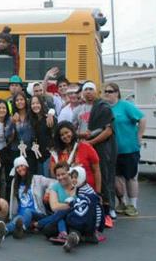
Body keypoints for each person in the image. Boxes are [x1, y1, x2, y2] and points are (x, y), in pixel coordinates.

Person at [73, 82, 117, 224]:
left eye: (91, 89)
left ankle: (109, 207)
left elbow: (109, 130)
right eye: (85, 89)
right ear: (82, 93)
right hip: (83, 147)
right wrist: (80, 136)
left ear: (96, 91)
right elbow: (72, 130)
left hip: (101, 147)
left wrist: (91, 142)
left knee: (105, 176)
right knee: (84, 176)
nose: (88, 92)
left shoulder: (103, 107)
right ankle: (87, 205)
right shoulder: (78, 110)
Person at [103, 83, 146, 216]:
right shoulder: (105, 108)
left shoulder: (125, 106)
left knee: (130, 177)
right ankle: (121, 201)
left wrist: (139, 136)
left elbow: (142, 118)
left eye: (110, 91)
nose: (107, 94)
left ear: (117, 93)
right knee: (116, 178)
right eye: (105, 91)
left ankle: (132, 205)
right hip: (112, 150)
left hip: (129, 149)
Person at [5, 156, 54, 239]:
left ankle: (22, 228)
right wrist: (12, 216)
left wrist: (48, 191)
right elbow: (14, 202)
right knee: (14, 222)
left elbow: (54, 182)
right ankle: (2, 231)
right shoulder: (15, 182)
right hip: (21, 214)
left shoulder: (37, 179)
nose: (20, 169)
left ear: (26, 166)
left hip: (37, 213)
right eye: (17, 167)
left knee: (28, 211)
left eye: (21, 165)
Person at [50, 121, 101, 195]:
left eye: (67, 132)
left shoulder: (86, 147)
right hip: (67, 193)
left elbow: (97, 170)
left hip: (88, 190)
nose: (65, 136)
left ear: (72, 131)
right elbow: (53, 174)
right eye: (62, 135)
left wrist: (98, 193)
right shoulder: (56, 154)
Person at [62, 166, 104, 253]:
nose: (73, 180)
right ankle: (80, 238)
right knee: (75, 227)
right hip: (89, 224)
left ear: (82, 177)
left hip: (88, 224)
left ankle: (76, 238)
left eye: (76, 177)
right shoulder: (83, 189)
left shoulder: (87, 193)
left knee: (73, 226)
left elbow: (97, 210)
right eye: (72, 177)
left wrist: (95, 227)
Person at [39, 161, 76, 241]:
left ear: (69, 173)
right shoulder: (55, 187)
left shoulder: (77, 185)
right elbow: (54, 207)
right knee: (48, 229)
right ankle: (64, 234)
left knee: (59, 214)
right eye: (58, 175)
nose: (60, 177)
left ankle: (38, 224)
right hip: (61, 217)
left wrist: (63, 206)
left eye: (63, 174)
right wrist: (71, 205)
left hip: (74, 217)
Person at [28, 95, 55, 176]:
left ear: (42, 104)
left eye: (37, 103)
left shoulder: (49, 118)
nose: (35, 105)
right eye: (33, 103)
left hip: (48, 156)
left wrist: (50, 114)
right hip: (37, 156)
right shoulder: (31, 119)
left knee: (48, 179)